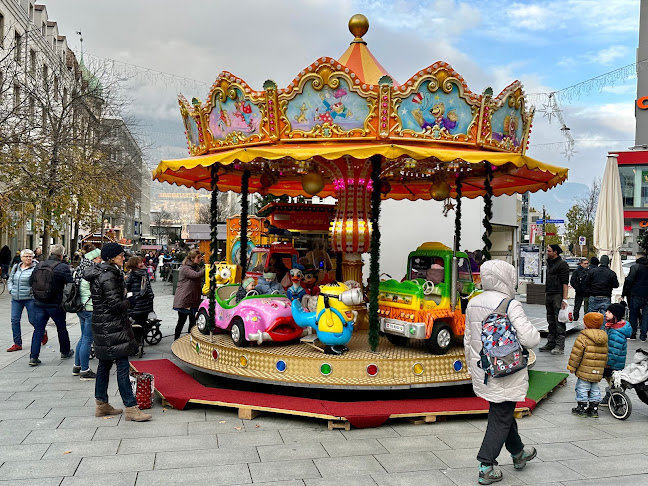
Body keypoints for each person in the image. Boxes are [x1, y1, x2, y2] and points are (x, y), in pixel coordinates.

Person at [464, 259, 539, 484]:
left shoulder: (473, 303)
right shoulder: (510, 304)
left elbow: (468, 341)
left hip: (484, 368)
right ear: (506, 278)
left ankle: (518, 453)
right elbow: (531, 338)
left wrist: (472, 369)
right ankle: (486, 466)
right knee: (501, 415)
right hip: (506, 369)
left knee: (502, 411)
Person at [83, 243, 151, 421]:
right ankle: (131, 408)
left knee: (104, 365)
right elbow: (114, 305)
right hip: (112, 326)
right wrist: (131, 301)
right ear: (111, 257)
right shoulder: (109, 276)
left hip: (102, 324)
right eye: (121, 255)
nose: (123, 258)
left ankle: (102, 405)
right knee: (122, 365)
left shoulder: (101, 272)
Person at [28, 244, 74, 366]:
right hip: (55, 303)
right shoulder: (63, 267)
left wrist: (35, 295)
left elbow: (30, 281)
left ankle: (33, 357)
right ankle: (65, 351)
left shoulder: (39, 264)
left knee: (38, 329)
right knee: (61, 327)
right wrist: (64, 298)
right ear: (61, 255)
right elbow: (70, 284)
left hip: (39, 302)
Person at [567, 312, 608, 418]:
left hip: (584, 370)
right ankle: (594, 409)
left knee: (582, 387)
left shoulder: (583, 337)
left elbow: (576, 354)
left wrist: (572, 367)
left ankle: (582, 407)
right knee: (595, 388)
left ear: (587, 324)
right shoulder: (604, 337)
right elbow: (605, 354)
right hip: (598, 371)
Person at [73, 247, 102, 380]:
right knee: (87, 339)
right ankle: (85, 370)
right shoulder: (90, 273)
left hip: (81, 308)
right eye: (99, 258)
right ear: (93, 259)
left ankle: (77, 366)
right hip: (90, 309)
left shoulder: (78, 271)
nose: (100, 261)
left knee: (83, 337)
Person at [539, 244, 570, 355]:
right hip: (549, 294)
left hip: (558, 295)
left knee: (559, 321)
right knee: (550, 320)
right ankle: (550, 343)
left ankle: (559, 345)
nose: (547, 252)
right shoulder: (549, 263)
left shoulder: (562, 265)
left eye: (549, 251)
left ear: (555, 252)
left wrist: (565, 299)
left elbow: (565, 283)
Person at [601, 302, 632, 407]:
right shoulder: (614, 327)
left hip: (613, 363)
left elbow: (614, 351)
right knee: (611, 381)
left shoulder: (616, 332)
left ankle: (615, 399)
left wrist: (608, 363)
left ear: (615, 315)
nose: (606, 314)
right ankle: (611, 396)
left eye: (609, 312)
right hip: (616, 362)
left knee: (613, 381)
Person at [6, 249, 38, 352]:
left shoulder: (36, 268)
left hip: (30, 299)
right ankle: (17, 343)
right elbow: (10, 280)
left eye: (30, 256)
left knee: (33, 320)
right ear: (22, 258)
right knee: (14, 320)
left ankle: (42, 332)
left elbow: (38, 282)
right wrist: (11, 290)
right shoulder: (16, 267)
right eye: (26, 256)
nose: (28, 258)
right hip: (16, 298)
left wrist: (32, 291)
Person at [172, 249, 205, 340]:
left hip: (193, 299)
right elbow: (196, 275)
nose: (200, 259)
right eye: (198, 257)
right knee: (181, 321)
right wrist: (208, 268)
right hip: (185, 299)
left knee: (193, 322)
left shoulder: (195, 267)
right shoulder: (185, 268)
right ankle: (176, 339)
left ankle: (190, 339)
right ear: (192, 258)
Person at [621, 251, 648, 341]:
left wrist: (624, 293)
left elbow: (629, 281)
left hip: (635, 294)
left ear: (638, 257)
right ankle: (643, 335)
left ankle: (633, 333)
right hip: (647, 295)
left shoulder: (635, 267)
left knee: (633, 313)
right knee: (646, 315)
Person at [125, 256, 155, 333]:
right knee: (138, 321)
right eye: (140, 262)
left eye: (142, 262)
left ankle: (141, 335)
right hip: (136, 303)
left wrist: (150, 295)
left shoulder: (144, 273)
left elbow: (148, 286)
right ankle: (139, 337)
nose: (142, 264)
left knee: (142, 320)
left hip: (145, 302)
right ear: (134, 264)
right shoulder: (131, 275)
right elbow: (126, 288)